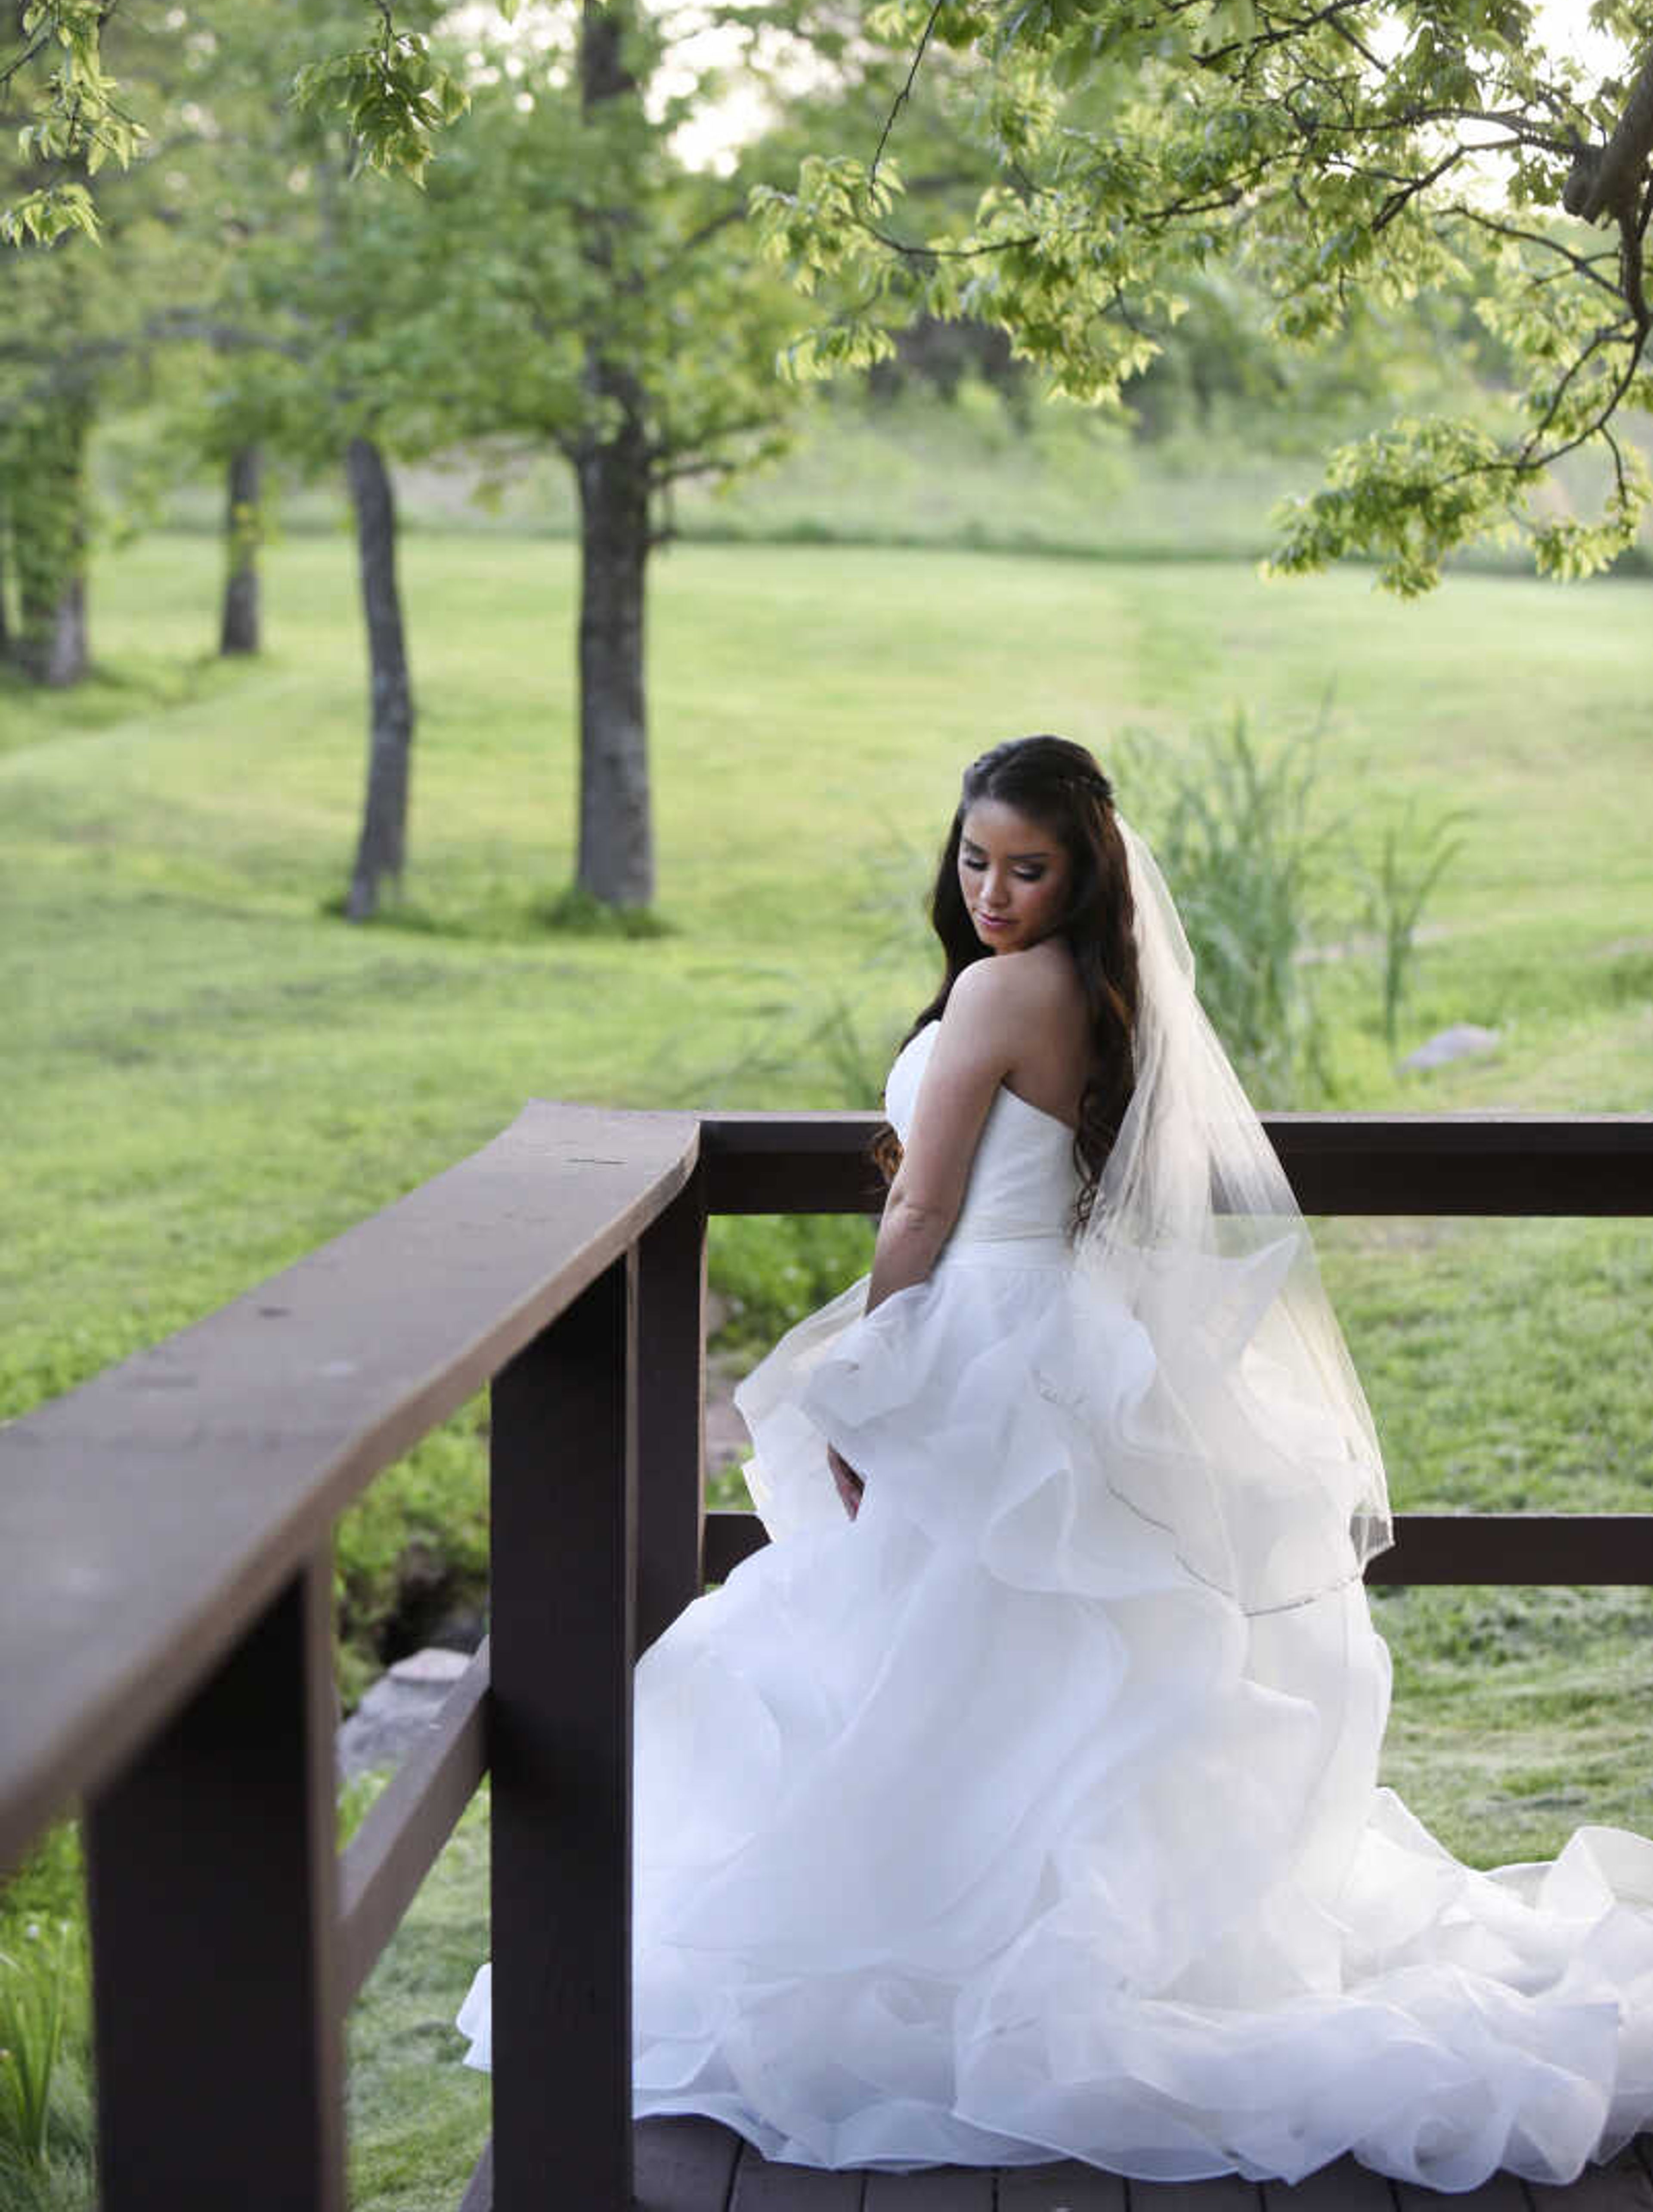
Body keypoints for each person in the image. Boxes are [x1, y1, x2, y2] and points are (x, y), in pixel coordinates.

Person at [457, 734, 1653, 2189]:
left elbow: (924, 1213)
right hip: (1067, 1337)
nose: (994, 892)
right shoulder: (1101, 991)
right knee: (1022, 1651)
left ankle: (960, 1951)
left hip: (981, 1332)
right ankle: (1028, 1937)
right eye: (974, 861)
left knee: (939, 1640)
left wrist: (863, 1378)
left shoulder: (995, 990)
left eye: (1028, 867)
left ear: (1084, 868)